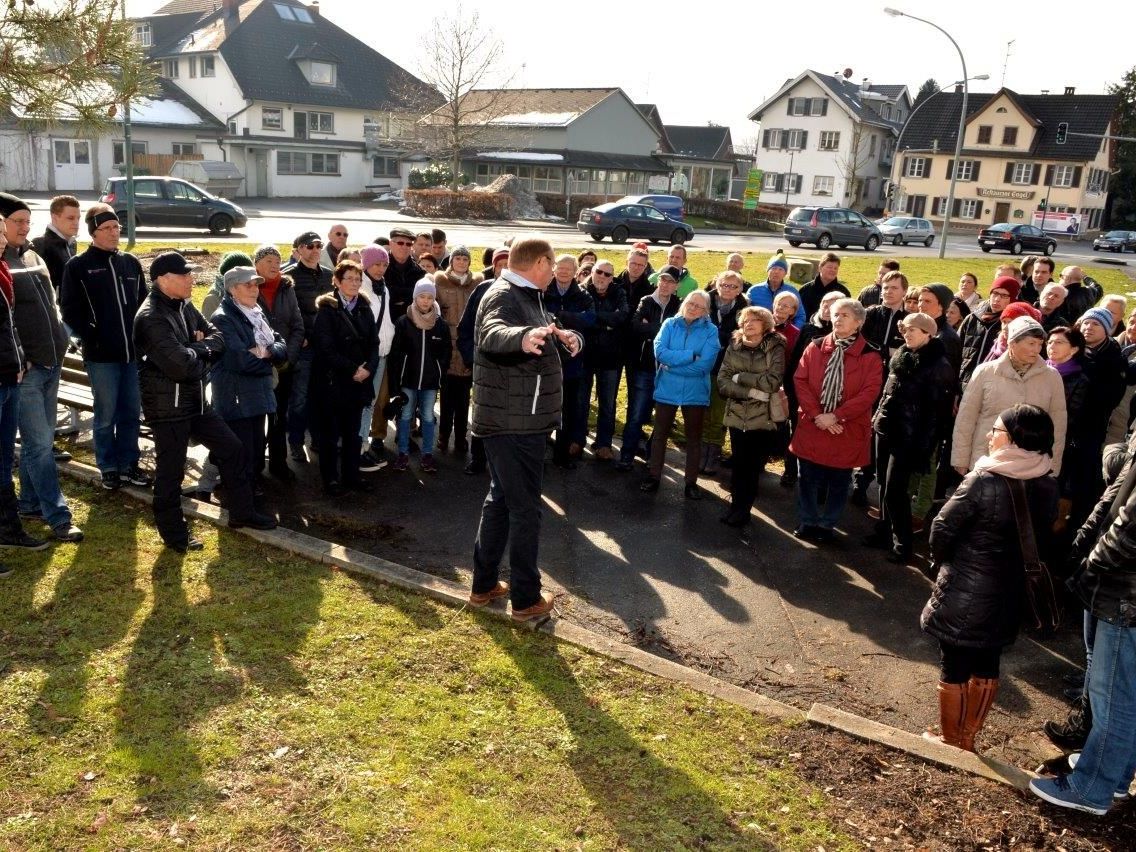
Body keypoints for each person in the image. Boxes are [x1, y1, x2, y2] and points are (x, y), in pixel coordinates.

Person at [922, 404, 1059, 752]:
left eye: (995, 430)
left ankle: (950, 738)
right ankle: (968, 736)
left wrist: (943, 560)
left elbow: (941, 527)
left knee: (954, 660)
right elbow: (1044, 537)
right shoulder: (1046, 481)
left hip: (966, 586)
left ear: (1012, 438)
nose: (989, 436)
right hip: (1009, 592)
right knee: (988, 661)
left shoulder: (984, 479)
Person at [468, 236, 582, 622]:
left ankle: (483, 586)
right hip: (514, 423)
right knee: (524, 509)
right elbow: (492, 333)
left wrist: (557, 334)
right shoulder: (504, 293)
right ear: (539, 263)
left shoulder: (527, 294)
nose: (556, 273)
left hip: (516, 418)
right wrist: (523, 337)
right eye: (552, 266)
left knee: (501, 499)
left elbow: (532, 326)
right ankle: (526, 600)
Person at [134, 252, 277, 552]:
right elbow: (182, 366)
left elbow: (217, 338)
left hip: (196, 402)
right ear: (163, 280)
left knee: (233, 449)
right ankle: (175, 535)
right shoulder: (151, 317)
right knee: (170, 472)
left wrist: (197, 348)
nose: (191, 280)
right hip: (168, 408)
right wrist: (202, 351)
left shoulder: (184, 305)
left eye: (190, 274)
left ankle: (241, 512)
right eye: (184, 275)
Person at [1029, 428, 1136, 816]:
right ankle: (1116, 776)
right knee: (1122, 694)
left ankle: (1092, 788)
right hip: (1120, 589)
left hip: (1126, 594)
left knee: (1115, 699)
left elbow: (1130, 527)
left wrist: (1092, 565)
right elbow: (1118, 486)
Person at [0, 193, 82, 542]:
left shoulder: (32, 255)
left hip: (51, 364)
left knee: (42, 441)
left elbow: (51, 306)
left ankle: (30, 502)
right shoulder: (2, 264)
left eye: (26, 220)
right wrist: (24, 357)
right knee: (38, 445)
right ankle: (58, 515)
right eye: (16, 221)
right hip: (27, 372)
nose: (25, 226)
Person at [59, 204, 151, 491]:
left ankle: (128, 464)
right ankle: (108, 466)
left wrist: (142, 339)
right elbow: (69, 309)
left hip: (131, 355)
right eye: (107, 228)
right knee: (106, 413)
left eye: (117, 228)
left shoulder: (130, 263)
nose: (114, 233)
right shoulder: (79, 266)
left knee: (130, 413)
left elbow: (145, 305)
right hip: (101, 356)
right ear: (93, 233)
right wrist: (93, 334)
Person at [864, 312, 955, 562]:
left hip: (909, 438)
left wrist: (924, 448)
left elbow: (936, 415)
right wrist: (877, 419)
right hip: (886, 430)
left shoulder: (939, 366)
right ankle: (884, 532)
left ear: (928, 333)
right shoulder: (903, 355)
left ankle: (902, 545)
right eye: (905, 329)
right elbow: (888, 392)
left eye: (912, 330)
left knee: (895, 490)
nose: (906, 334)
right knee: (883, 483)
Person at [790, 298, 881, 541]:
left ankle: (827, 525)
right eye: (836, 314)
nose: (838, 319)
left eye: (845, 315)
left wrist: (836, 416)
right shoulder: (816, 346)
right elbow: (800, 380)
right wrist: (818, 415)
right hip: (814, 424)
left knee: (839, 482)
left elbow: (869, 393)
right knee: (807, 478)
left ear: (858, 323)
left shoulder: (870, 355)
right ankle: (808, 521)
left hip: (845, 428)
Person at [209, 266, 288, 497]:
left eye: (256, 284)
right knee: (241, 449)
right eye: (248, 285)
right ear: (233, 289)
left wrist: (266, 352)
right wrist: (270, 360)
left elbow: (280, 343)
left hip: (257, 393)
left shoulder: (256, 311)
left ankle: (250, 489)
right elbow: (240, 361)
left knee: (255, 447)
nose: (255, 289)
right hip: (236, 396)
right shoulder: (223, 318)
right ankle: (239, 497)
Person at [952, 316, 1067, 476]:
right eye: (1031, 343)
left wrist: (1052, 466)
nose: (1037, 349)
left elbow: (1058, 425)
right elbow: (966, 419)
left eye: (1040, 344)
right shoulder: (985, 372)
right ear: (1012, 343)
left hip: (1031, 467)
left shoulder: (1052, 377)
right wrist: (961, 460)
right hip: (986, 460)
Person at [0, 212, 49, 559]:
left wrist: (18, 362)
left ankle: (9, 528)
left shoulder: (2, 272)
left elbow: (9, 327)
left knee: (4, 461)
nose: (3, 237)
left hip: (9, 377)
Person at [640, 290, 721, 499]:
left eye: (699, 306)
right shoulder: (669, 324)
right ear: (684, 303)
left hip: (695, 393)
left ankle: (691, 482)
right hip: (667, 389)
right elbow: (660, 353)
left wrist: (671, 366)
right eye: (691, 303)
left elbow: (705, 365)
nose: (693, 308)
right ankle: (653, 475)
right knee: (659, 435)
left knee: (694, 439)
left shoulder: (711, 331)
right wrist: (689, 356)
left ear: (706, 311)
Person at [310, 260, 379, 496]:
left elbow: (374, 343)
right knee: (330, 436)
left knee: (353, 434)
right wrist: (353, 370)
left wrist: (369, 368)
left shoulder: (364, 307)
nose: (354, 283)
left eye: (358, 279)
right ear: (337, 281)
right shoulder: (327, 309)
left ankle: (351, 476)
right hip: (334, 383)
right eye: (348, 278)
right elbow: (325, 350)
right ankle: (330, 480)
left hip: (359, 384)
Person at [716, 306, 785, 526]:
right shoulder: (734, 345)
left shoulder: (775, 347)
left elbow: (773, 381)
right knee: (738, 466)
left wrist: (740, 377)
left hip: (762, 418)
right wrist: (752, 391)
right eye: (745, 320)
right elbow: (723, 382)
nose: (749, 323)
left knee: (752, 468)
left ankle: (743, 511)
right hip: (737, 415)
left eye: (755, 320)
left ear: (765, 325)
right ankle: (736, 507)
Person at [617, 266, 680, 472]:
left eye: (670, 281)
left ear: (676, 286)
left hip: (668, 370)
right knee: (636, 414)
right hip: (644, 366)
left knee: (662, 417)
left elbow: (679, 337)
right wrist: (662, 330)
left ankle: (653, 456)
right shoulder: (646, 301)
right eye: (662, 280)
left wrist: (652, 328)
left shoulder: (679, 306)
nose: (665, 284)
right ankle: (627, 455)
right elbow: (635, 327)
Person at [250, 245, 305, 481]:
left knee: (279, 416)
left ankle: (278, 463)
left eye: (277, 260)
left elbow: (297, 326)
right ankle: (253, 467)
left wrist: (287, 358)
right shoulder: (249, 287)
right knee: (255, 418)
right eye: (269, 260)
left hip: (284, 365)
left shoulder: (287, 288)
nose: (275, 265)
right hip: (258, 365)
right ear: (257, 265)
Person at [281, 230, 332, 462]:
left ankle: (320, 440)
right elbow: (287, 312)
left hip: (327, 346)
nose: (314, 250)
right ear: (299, 249)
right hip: (304, 346)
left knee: (322, 395)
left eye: (318, 245)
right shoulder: (288, 277)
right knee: (299, 397)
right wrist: (297, 335)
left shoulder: (330, 276)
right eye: (309, 246)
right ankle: (296, 442)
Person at [390, 279, 451, 474]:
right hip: (408, 379)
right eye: (422, 297)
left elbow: (446, 351)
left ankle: (427, 454)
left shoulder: (440, 324)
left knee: (427, 416)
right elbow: (396, 353)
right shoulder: (403, 322)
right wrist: (397, 378)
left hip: (430, 381)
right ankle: (403, 453)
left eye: (430, 297)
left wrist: (439, 369)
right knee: (406, 415)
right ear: (415, 297)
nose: (425, 301)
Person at [457, 248, 509, 476]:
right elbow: (464, 329)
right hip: (483, 367)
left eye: (510, 265)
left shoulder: (527, 293)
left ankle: (504, 463)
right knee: (482, 414)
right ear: (494, 267)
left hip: (512, 370)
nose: (505, 270)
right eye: (501, 265)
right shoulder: (481, 290)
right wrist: (472, 359)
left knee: (509, 418)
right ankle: (478, 459)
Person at [545, 254, 594, 468]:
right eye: (560, 268)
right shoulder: (544, 291)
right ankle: (539, 452)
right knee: (544, 408)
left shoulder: (583, 294)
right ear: (554, 269)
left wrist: (561, 316)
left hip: (572, 364)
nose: (563, 272)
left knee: (569, 409)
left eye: (568, 268)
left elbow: (590, 319)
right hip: (546, 362)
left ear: (575, 271)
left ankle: (561, 455)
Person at [433, 246, 481, 455]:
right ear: (451, 261)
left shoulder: (477, 284)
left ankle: (461, 438)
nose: (461, 262)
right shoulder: (439, 282)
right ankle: (443, 436)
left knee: (464, 400)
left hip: (468, 348)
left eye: (465, 259)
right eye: (458, 258)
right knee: (446, 398)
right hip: (447, 348)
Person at [580, 259, 628, 462]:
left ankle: (604, 444)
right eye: (599, 272)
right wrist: (606, 322)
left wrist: (594, 319)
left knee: (607, 404)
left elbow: (622, 317)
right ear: (592, 271)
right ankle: (576, 440)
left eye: (608, 275)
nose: (602, 277)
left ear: (612, 278)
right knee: (580, 401)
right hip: (584, 356)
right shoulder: (581, 291)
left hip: (610, 358)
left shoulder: (620, 292)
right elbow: (581, 318)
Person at [702, 270, 746, 474]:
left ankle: (713, 453)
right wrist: (724, 336)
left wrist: (716, 334)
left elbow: (741, 338)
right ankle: (700, 452)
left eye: (733, 286)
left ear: (740, 289)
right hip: (701, 366)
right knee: (700, 411)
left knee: (718, 414)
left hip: (726, 369)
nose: (728, 289)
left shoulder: (745, 308)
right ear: (716, 284)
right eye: (724, 285)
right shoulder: (704, 301)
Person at [357, 245, 394, 471]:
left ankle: (362, 445)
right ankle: (358, 448)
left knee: (370, 403)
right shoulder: (361, 286)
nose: (381, 269)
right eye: (376, 265)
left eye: (384, 265)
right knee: (363, 403)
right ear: (366, 265)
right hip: (367, 356)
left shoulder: (383, 288)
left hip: (383, 354)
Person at [958, 275, 1018, 393]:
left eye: (1004, 296)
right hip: (964, 387)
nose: (997, 299)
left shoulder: (1012, 324)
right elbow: (957, 354)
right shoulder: (972, 319)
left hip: (993, 391)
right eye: (994, 293)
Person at [31, 194, 81, 293]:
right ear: (54, 218)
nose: (76, 222)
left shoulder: (72, 243)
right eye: (70, 218)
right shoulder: (40, 244)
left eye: (78, 218)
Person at [746, 253, 806, 329]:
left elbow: (800, 316)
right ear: (768, 271)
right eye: (773, 268)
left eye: (780, 269)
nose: (776, 272)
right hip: (759, 332)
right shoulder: (754, 291)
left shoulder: (792, 292)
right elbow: (745, 315)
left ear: (785, 274)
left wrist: (792, 332)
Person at [917, 284, 963, 372]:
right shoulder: (924, 329)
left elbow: (943, 376)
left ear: (941, 306)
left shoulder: (946, 337)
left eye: (927, 301)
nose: (921, 305)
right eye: (920, 300)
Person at [798, 252, 849, 320]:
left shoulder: (843, 292)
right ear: (820, 268)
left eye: (835, 268)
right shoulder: (805, 290)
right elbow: (799, 315)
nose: (833, 270)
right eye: (829, 267)